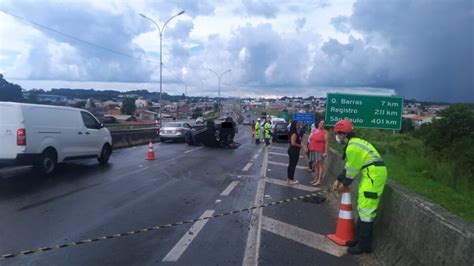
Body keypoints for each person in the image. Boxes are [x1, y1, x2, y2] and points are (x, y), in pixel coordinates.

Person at [332, 120, 388, 255]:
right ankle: (357, 240)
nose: (337, 137)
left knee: (366, 211)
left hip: (373, 176)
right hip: (371, 175)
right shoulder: (355, 143)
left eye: (338, 134)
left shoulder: (352, 148)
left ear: (344, 134)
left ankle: (364, 246)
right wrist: (338, 180)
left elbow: (351, 171)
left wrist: (343, 184)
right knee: (362, 208)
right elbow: (349, 166)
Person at [308, 120, 329, 186]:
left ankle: (319, 180)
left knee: (320, 165)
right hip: (313, 149)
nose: (322, 124)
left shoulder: (325, 132)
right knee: (315, 165)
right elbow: (310, 138)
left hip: (319, 150)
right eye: (321, 123)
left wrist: (325, 152)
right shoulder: (314, 130)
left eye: (323, 123)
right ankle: (316, 178)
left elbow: (327, 143)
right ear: (318, 124)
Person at [287, 121, 304, 185]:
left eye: (299, 124)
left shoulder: (295, 132)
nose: (298, 126)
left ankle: (289, 179)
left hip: (293, 151)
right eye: (297, 124)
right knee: (292, 165)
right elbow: (293, 143)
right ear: (294, 125)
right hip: (293, 151)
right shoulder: (294, 133)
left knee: (291, 165)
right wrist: (301, 146)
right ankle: (291, 180)